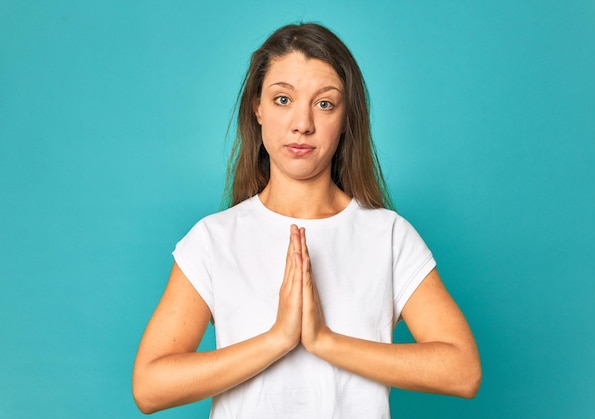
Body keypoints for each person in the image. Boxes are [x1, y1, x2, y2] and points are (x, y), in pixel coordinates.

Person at [132, 22, 481, 418]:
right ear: (257, 107)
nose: (302, 124)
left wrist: (324, 341)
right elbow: (150, 386)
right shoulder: (214, 239)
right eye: (283, 99)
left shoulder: (388, 236)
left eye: (324, 103)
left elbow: (462, 371)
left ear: (347, 118)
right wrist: (278, 339)